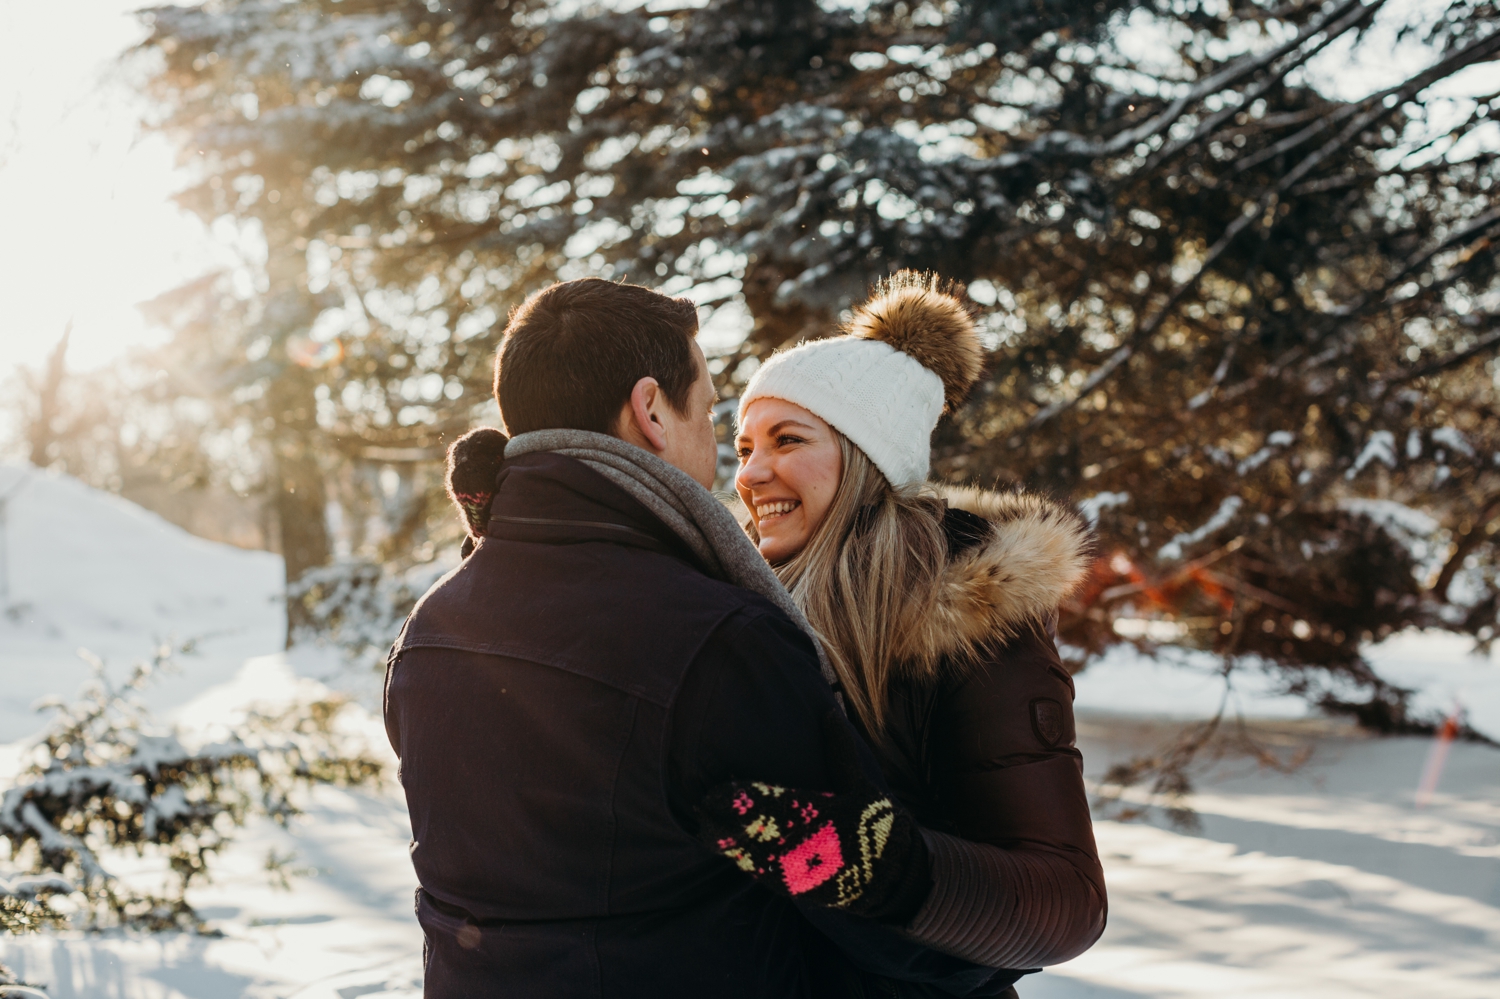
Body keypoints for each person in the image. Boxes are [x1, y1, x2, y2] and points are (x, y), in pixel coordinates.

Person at [385, 277, 1021, 998]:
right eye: (714, 413)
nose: (730, 459)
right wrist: (1005, 947)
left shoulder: (430, 635)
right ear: (651, 409)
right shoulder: (721, 642)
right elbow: (879, 913)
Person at [707, 272, 1107, 993]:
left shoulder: (969, 618)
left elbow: (1068, 900)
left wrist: (875, 864)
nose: (752, 472)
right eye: (742, 448)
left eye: (785, 439)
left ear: (866, 457)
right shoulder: (734, 600)